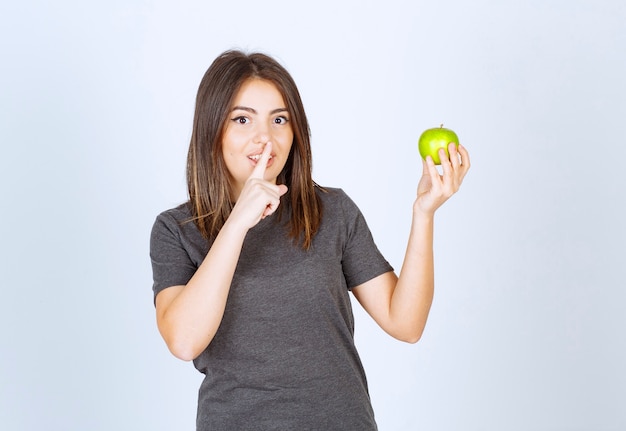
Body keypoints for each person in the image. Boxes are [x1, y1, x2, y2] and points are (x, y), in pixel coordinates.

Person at [150, 49, 470, 431]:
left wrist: (424, 212)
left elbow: (406, 323)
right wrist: (236, 225)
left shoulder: (331, 212)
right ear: (211, 130)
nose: (264, 138)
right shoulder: (176, 229)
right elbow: (184, 341)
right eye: (242, 119)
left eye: (279, 120)